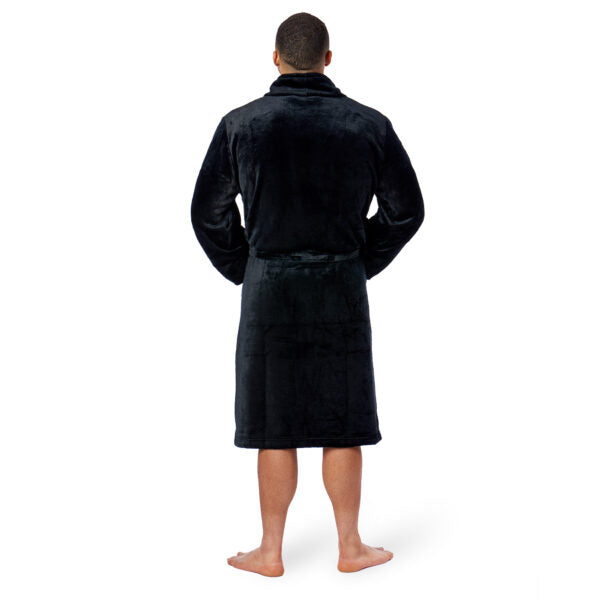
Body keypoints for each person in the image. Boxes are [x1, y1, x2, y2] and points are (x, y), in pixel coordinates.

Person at [190, 12, 424, 576]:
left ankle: (269, 551)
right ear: (328, 58)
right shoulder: (368, 125)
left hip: (269, 291)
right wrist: (357, 261)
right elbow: (406, 211)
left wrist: (248, 266)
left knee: (275, 422)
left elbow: (208, 213)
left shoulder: (241, 125)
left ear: (276, 58)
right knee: (342, 418)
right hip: (339, 289)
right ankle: (351, 546)